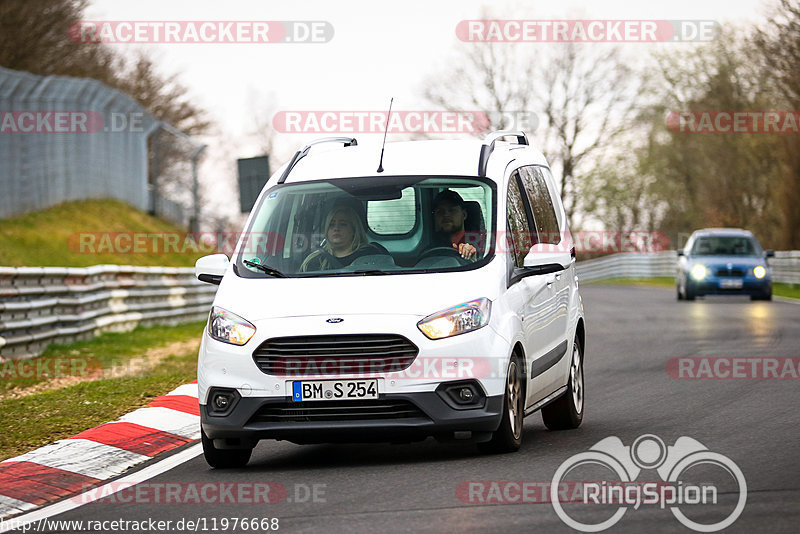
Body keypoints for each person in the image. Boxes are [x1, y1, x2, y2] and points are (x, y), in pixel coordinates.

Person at [300, 204, 380, 271]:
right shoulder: (314, 260)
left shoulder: (372, 254)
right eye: (331, 224)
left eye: (343, 224)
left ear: (354, 229)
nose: (336, 228)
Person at [431, 189, 477, 260]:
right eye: (440, 211)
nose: (446, 214)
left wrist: (474, 258)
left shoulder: (480, 242)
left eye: (452, 210)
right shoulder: (429, 244)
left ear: (464, 215)